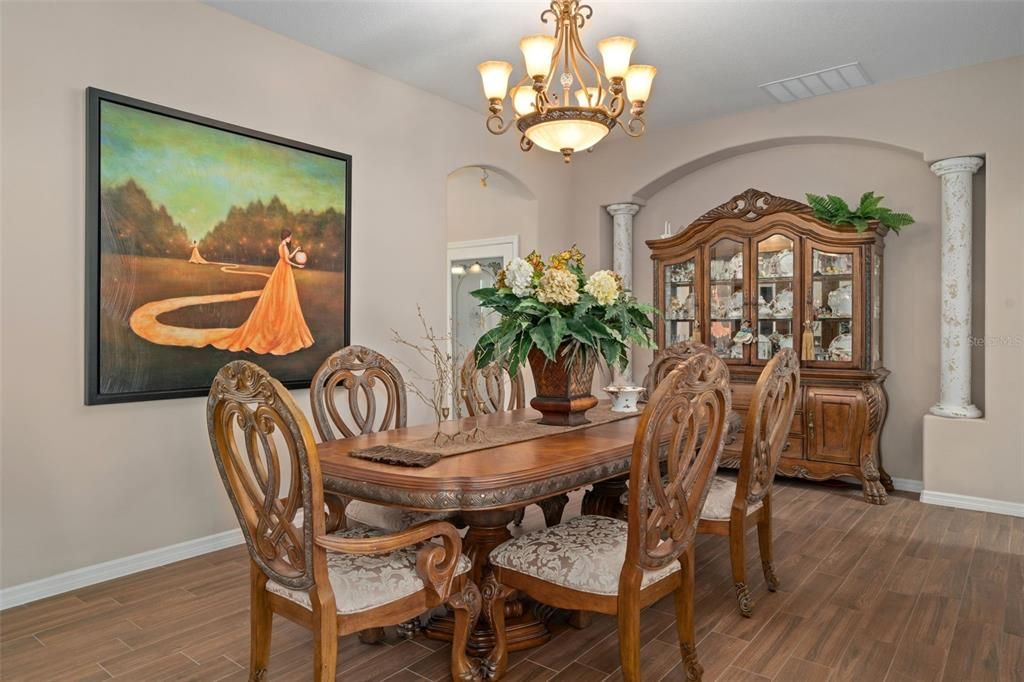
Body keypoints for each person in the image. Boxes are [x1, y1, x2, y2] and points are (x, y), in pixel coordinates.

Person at [213, 229, 314, 355]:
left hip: (284, 271)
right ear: (286, 237)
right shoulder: (282, 246)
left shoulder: (284, 247)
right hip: (283, 271)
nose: (290, 239)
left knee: (286, 296)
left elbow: (288, 257)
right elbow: (286, 260)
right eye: (290, 237)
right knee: (281, 295)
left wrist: (295, 250)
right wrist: (298, 266)